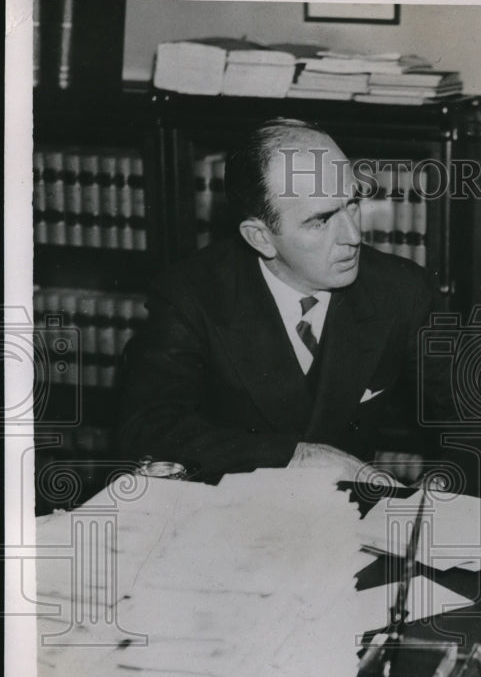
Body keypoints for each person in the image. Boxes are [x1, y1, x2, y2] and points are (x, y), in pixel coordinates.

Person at [117, 118, 445, 482]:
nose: (352, 236)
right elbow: (146, 427)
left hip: (349, 519)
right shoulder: (192, 295)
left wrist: (440, 489)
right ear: (261, 237)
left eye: (352, 204)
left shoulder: (400, 290)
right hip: (229, 517)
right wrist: (295, 456)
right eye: (320, 221)